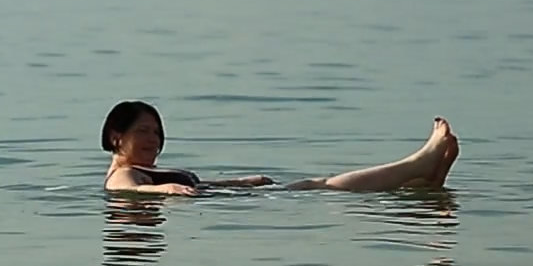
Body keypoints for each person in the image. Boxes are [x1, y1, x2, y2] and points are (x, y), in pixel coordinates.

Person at [101, 100, 458, 195]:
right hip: (247, 212)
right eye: (143, 131)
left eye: (157, 132)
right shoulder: (125, 175)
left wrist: (241, 182)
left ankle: (425, 178)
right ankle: (419, 162)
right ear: (117, 136)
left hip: (240, 199)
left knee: (317, 185)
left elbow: (199, 188)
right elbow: (128, 192)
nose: (153, 139)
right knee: (318, 185)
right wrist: (164, 191)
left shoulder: (146, 170)